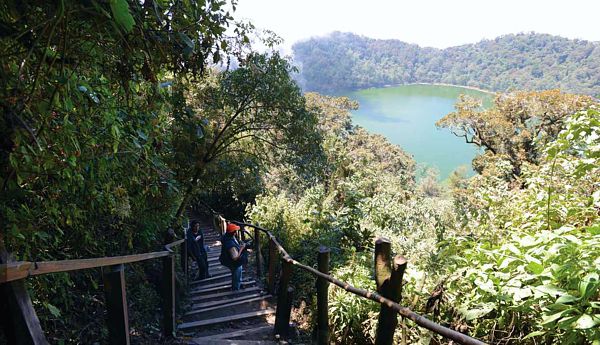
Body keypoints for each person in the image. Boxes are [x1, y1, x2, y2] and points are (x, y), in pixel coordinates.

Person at [219, 223, 248, 290]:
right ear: (233, 233)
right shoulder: (230, 245)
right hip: (232, 261)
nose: (236, 232)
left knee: (238, 270)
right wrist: (241, 248)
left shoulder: (226, 236)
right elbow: (235, 258)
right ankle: (236, 288)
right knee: (237, 272)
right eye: (235, 231)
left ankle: (239, 284)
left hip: (225, 257)